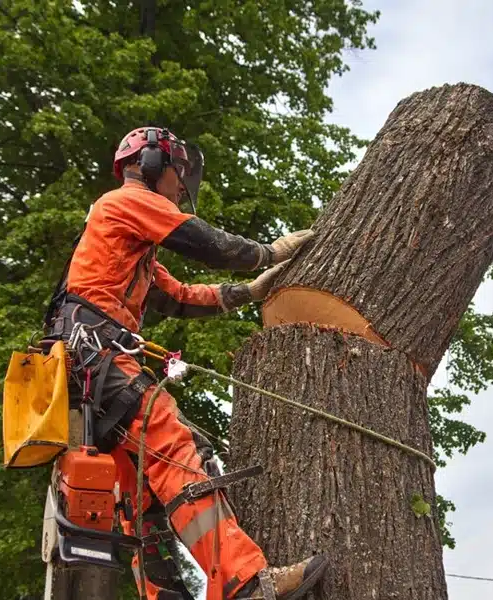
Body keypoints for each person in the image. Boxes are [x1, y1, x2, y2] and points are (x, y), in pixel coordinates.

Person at [44, 126, 328, 600]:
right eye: (178, 176)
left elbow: (177, 297)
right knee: (175, 450)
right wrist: (267, 252)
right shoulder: (127, 201)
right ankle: (243, 583)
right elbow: (207, 242)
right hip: (100, 357)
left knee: (142, 490)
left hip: (88, 367)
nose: (180, 189)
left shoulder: (126, 238)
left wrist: (248, 292)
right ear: (153, 164)